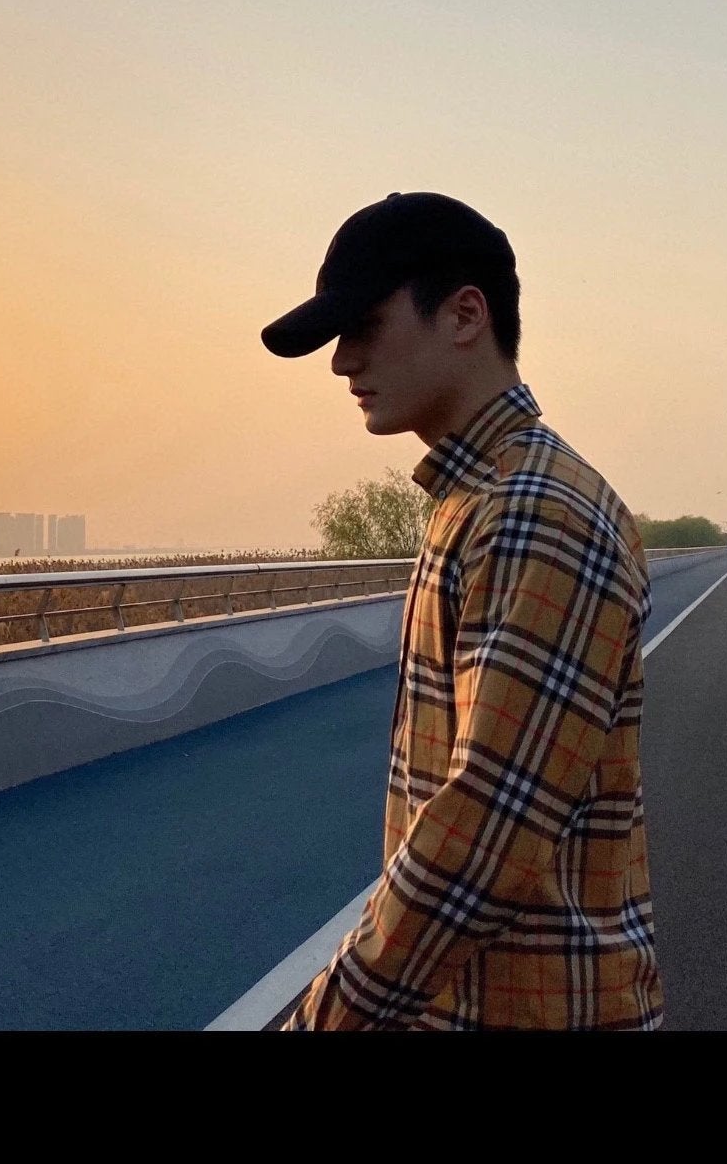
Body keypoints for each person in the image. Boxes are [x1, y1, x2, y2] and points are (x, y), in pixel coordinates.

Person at [260, 191, 663, 1031]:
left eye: (365, 326)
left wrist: (322, 1021)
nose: (341, 362)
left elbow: (485, 834)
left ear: (465, 315)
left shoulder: (534, 513)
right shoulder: (478, 500)